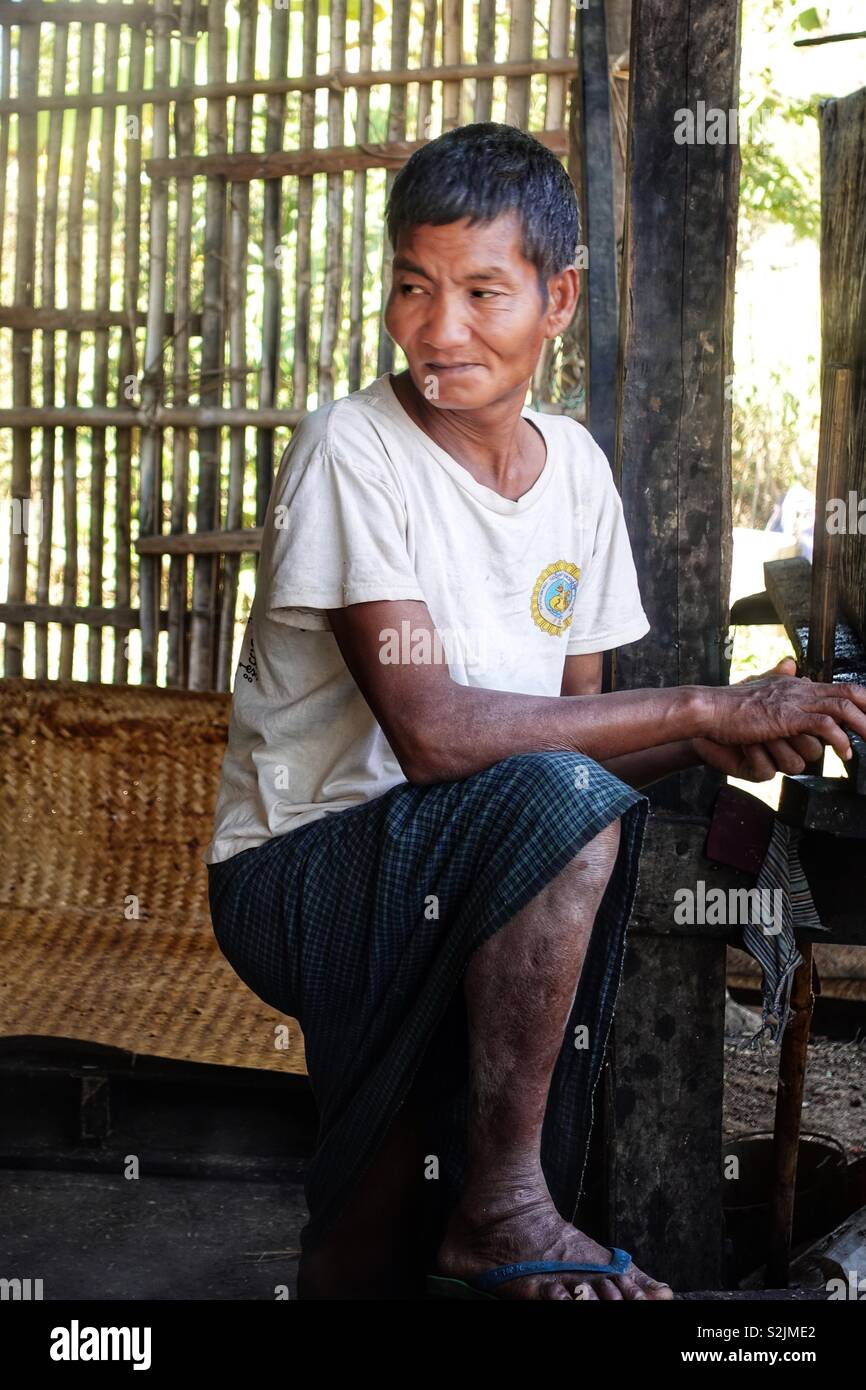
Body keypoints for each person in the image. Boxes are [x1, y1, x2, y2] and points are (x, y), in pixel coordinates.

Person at [204, 123, 866, 1301]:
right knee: (558, 817)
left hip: (468, 863)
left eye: (478, 291)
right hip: (302, 873)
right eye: (412, 285)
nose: (435, 328)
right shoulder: (352, 449)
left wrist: (720, 736)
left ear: (557, 298)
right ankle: (510, 1204)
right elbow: (440, 735)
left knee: (382, 1203)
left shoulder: (574, 472)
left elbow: (581, 744)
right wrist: (706, 696)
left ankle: (459, 1221)